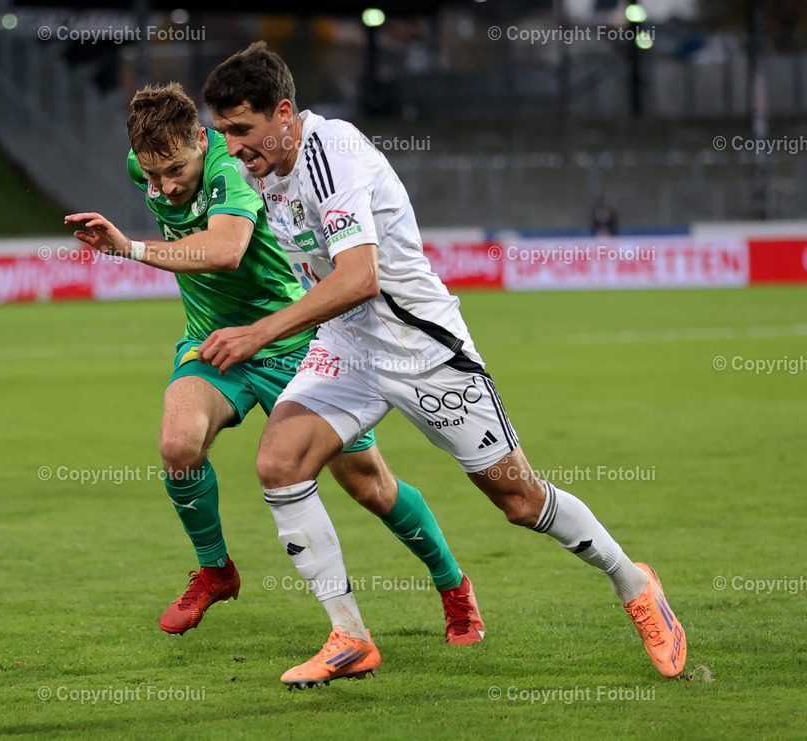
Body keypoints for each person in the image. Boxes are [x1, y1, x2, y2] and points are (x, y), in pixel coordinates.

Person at [199, 42, 687, 687]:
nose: (232, 147)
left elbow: (360, 278)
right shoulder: (267, 169)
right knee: (278, 461)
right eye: (224, 132)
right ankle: (349, 637)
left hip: (425, 353)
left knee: (518, 498)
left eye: (241, 130)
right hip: (348, 348)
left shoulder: (330, 154)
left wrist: (258, 333)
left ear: (284, 113)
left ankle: (635, 583)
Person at [64, 83, 483, 655]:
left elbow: (226, 251)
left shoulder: (229, 172)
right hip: (213, 342)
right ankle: (216, 571)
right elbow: (165, 188)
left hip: (294, 342)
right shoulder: (150, 162)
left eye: (173, 170)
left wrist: (129, 248)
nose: (162, 186)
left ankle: (452, 585)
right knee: (177, 445)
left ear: (199, 139)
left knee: (368, 484)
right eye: (151, 175)